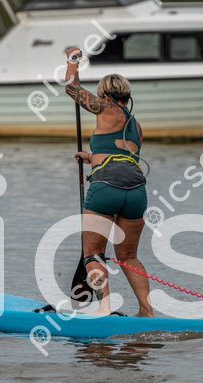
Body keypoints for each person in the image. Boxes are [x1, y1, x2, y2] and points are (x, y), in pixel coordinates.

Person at [64, 47, 154, 317]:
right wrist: (91, 157)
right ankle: (146, 310)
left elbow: (71, 88)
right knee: (129, 257)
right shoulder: (136, 125)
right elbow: (122, 156)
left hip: (106, 187)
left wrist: (72, 60)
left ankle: (104, 308)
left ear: (105, 94)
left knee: (92, 253)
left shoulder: (105, 107)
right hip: (136, 191)